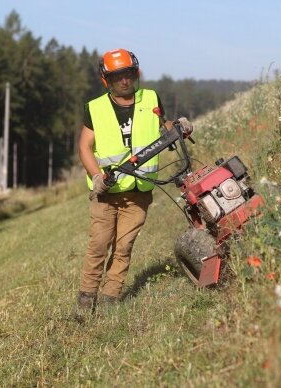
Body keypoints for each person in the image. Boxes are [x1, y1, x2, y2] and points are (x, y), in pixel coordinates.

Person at [75, 48, 193, 314]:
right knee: (99, 245)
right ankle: (85, 299)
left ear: (135, 74)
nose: (125, 81)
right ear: (107, 80)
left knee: (124, 246)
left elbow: (164, 126)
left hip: (139, 190)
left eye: (128, 75)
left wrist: (179, 126)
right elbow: (84, 147)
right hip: (106, 190)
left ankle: (110, 298)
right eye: (118, 77)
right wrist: (96, 177)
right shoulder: (95, 108)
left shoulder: (150, 98)